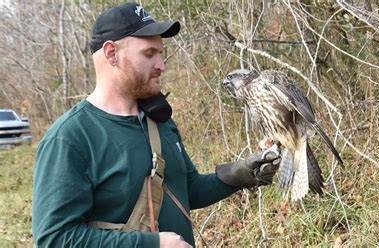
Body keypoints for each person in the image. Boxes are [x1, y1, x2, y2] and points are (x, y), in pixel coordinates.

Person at [32, 2, 281, 247]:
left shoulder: (158, 119)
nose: (161, 65)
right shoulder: (70, 138)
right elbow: (55, 238)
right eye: (149, 54)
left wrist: (238, 174)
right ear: (111, 54)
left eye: (160, 53)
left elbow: (187, 190)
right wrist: (152, 244)